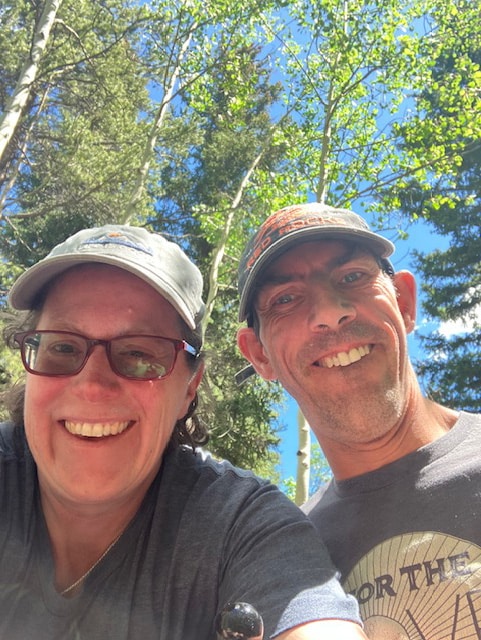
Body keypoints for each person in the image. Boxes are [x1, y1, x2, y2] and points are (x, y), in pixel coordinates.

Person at [0, 223, 368, 640]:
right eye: (63, 347)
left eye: (139, 354)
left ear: (189, 388)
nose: (93, 384)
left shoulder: (242, 525)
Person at [236, 202, 481, 640]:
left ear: (404, 302)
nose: (329, 312)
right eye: (285, 299)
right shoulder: (281, 557)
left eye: (352, 276)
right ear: (258, 354)